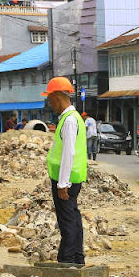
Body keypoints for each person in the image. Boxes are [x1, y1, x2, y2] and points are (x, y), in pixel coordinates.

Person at [42, 76, 87, 264]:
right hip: (72, 179)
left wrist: (62, 184)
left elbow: (68, 153)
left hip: (66, 181)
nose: (51, 104)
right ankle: (77, 259)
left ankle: (67, 262)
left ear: (58, 97)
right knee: (73, 219)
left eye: (51, 100)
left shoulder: (69, 120)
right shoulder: (72, 118)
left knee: (67, 222)